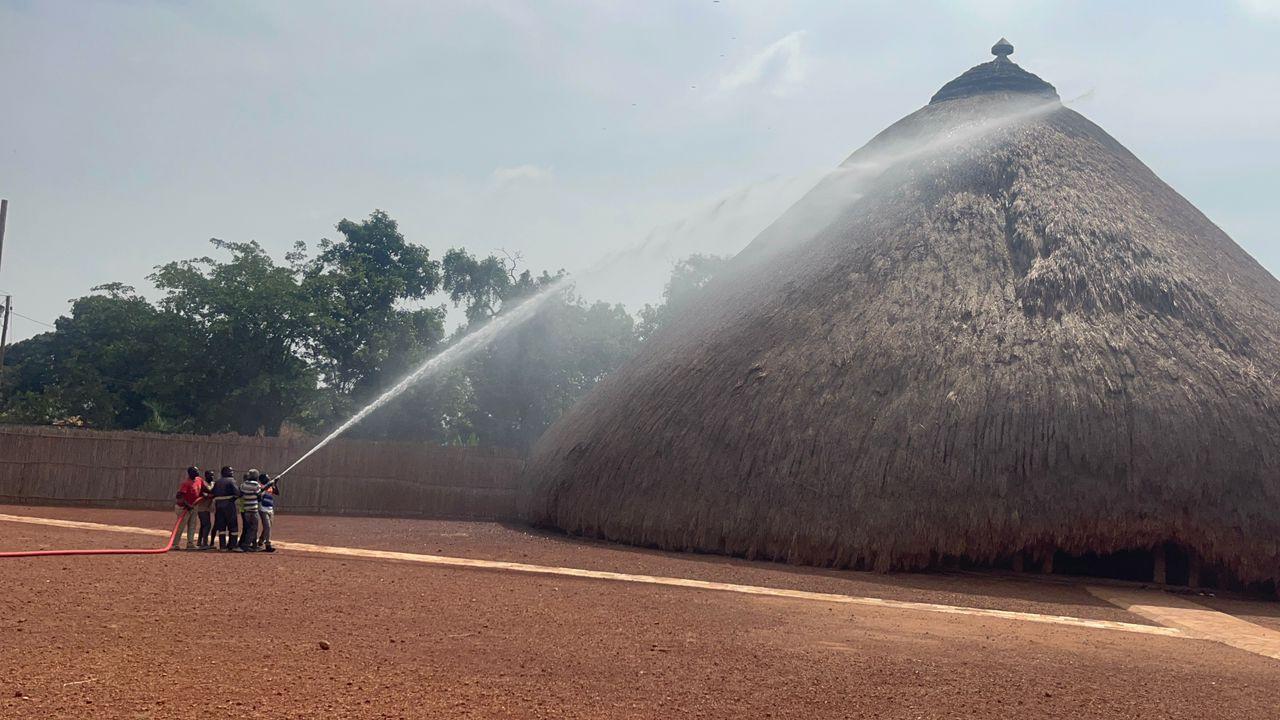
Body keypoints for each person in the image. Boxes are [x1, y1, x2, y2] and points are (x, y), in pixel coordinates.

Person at [211, 466, 240, 551]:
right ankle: (232, 545)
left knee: (221, 526)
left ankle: (222, 546)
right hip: (229, 506)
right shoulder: (231, 481)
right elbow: (237, 493)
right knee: (233, 526)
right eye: (230, 471)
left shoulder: (217, 482)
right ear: (225, 472)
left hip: (219, 506)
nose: (232, 473)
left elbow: (213, 493)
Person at [174, 466, 203, 551]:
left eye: (197, 471)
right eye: (195, 471)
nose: (197, 472)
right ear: (190, 473)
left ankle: (190, 543)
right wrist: (187, 505)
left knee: (192, 525)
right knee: (180, 526)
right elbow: (179, 496)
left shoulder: (199, 480)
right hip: (183, 508)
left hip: (194, 506)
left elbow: (204, 488)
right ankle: (174, 544)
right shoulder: (186, 483)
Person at [237, 469, 263, 552]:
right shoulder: (256, 485)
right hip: (253, 510)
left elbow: (240, 494)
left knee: (248, 528)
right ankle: (245, 546)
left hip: (245, 510)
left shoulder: (243, 485)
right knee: (253, 529)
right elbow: (259, 497)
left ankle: (253, 546)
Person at [257, 473, 278, 553]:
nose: (269, 478)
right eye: (267, 477)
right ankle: (268, 545)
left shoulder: (270, 486)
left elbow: (276, 492)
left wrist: (275, 484)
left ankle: (260, 541)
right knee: (267, 527)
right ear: (262, 479)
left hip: (270, 509)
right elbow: (260, 494)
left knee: (268, 527)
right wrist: (269, 484)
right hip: (263, 509)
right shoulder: (260, 486)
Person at [195, 470, 216, 550]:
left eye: (213, 475)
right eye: (210, 475)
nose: (212, 477)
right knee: (207, 525)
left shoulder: (213, 484)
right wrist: (210, 495)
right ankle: (205, 543)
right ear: (206, 476)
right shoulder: (202, 484)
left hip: (208, 507)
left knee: (203, 525)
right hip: (201, 507)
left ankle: (200, 542)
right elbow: (203, 494)